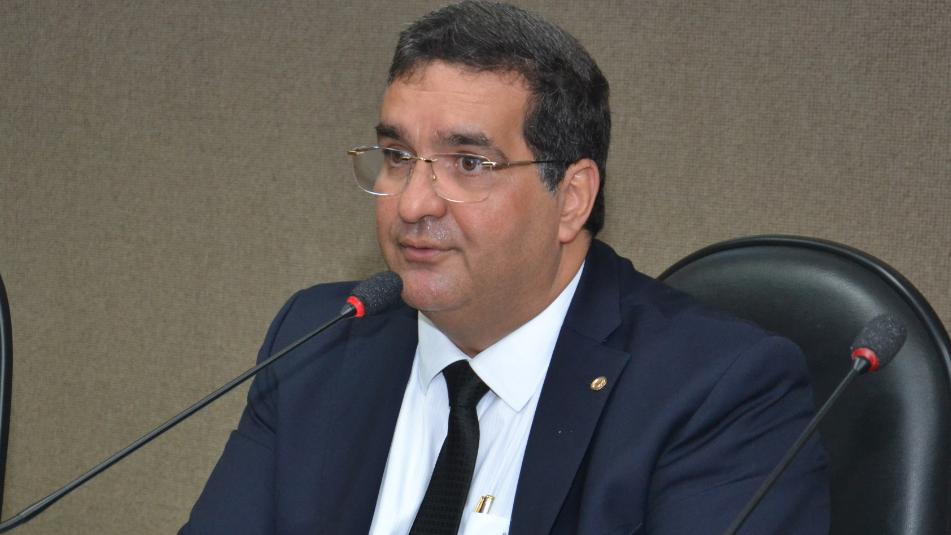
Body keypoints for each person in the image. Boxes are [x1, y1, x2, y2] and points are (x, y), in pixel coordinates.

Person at [181, 2, 829, 534]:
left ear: (571, 198)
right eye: (398, 156)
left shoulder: (715, 390)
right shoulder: (318, 341)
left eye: (468, 163)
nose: (412, 204)